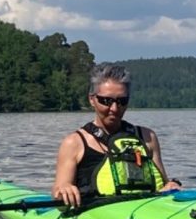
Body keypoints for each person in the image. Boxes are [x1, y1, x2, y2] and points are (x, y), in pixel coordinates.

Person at [51, 63, 182, 209]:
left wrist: (171, 185)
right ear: (92, 99)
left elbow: (163, 184)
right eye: (106, 101)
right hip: (96, 216)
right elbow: (59, 188)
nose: (114, 109)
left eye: (122, 101)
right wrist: (64, 189)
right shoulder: (74, 143)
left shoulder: (147, 137)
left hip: (145, 212)